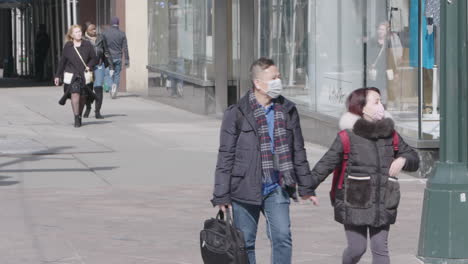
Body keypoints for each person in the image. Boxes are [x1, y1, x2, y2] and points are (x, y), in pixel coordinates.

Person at [211, 57, 317, 264]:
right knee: (245, 242)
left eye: (279, 76)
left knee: (282, 237)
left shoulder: (287, 110)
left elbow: (298, 150)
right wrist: (221, 195)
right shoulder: (237, 113)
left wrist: (307, 187)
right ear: (258, 83)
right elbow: (226, 155)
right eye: (273, 77)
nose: (279, 81)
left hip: (276, 185)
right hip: (244, 187)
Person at [309, 87, 419, 264]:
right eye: (376, 102)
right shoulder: (347, 136)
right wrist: (307, 187)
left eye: (381, 101)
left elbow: (414, 157)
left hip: (384, 200)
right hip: (355, 201)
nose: (381, 105)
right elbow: (325, 164)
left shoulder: (390, 134)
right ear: (362, 107)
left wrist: (403, 159)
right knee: (357, 248)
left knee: (380, 250)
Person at [54, 25, 97, 127]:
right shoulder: (68, 47)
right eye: (76, 32)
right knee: (75, 93)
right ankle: (76, 116)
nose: (79, 33)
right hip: (72, 75)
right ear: (72, 35)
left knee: (83, 97)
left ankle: (80, 114)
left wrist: (89, 66)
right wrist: (57, 76)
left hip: (84, 75)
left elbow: (94, 58)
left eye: (80, 31)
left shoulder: (87, 45)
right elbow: (62, 62)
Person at [83, 22, 114, 119]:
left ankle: (97, 111)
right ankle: (88, 107)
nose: (94, 31)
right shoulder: (83, 40)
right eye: (92, 29)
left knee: (98, 88)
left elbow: (106, 52)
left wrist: (111, 66)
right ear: (86, 30)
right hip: (88, 68)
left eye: (95, 29)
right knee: (88, 89)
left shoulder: (101, 38)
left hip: (99, 66)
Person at [102, 17, 129, 99]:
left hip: (108, 57)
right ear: (118, 23)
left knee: (107, 74)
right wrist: (127, 59)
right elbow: (125, 47)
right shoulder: (122, 34)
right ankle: (115, 87)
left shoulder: (105, 33)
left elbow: (102, 46)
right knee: (117, 74)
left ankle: (111, 86)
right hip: (118, 57)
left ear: (110, 23)